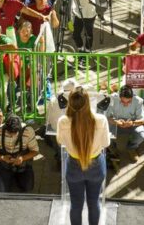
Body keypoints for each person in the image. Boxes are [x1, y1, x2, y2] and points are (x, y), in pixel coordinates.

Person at [56, 87, 110, 225]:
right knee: (94, 203)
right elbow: (106, 143)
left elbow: (60, 141)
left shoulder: (63, 121)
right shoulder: (101, 120)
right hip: (96, 165)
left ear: (70, 103)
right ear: (87, 102)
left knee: (75, 205)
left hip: (73, 165)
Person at [0, 113, 39, 193]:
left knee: (28, 187)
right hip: (4, 163)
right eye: (9, 132)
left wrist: (22, 158)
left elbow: (35, 151)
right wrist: (2, 158)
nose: (12, 135)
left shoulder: (28, 130)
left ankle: (14, 177)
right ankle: (0, 173)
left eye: (15, 132)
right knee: (1, 191)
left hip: (22, 163)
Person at [98, 85, 144, 162]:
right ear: (119, 97)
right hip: (116, 122)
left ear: (132, 97)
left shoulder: (138, 101)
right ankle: (112, 148)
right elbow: (107, 117)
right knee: (104, 132)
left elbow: (141, 121)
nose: (126, 104)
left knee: (141, 135)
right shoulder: (113, 98)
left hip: (132, 123)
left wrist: (132, 123)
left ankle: (131, 148)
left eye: (129, 101)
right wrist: (116, 122)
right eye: (123, 101)